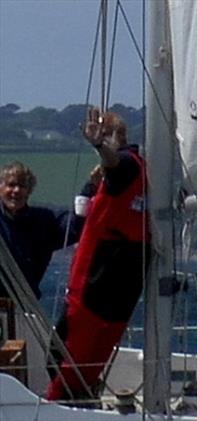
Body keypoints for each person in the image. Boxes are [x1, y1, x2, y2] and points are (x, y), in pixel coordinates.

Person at [45, 108, 150, 402]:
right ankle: (80, 395)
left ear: (113, 136)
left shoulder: (126, 165)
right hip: (128, 273)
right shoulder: (144, 169)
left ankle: (58, 401)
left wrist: (98, 146)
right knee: (96, 349)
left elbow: (115, 163)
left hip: (99, 274)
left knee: (64, 350)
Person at [0, 161, 90, 300]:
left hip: (23, 307)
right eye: (11, 185)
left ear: (29, 191)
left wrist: (89, 190)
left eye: (22, 185)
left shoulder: (43, 222)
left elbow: (75, 226)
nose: (16, 190)